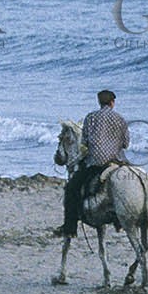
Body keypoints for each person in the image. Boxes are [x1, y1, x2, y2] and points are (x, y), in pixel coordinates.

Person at [53, 89, 129, 238]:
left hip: (97, 163)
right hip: (117, 161)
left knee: (71, 189)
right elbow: (126, 143)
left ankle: (70, 228)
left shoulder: (91, 117)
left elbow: (85, 142)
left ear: (99, 102)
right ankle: (120, 222)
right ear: (113, 103)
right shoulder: (120, 118)